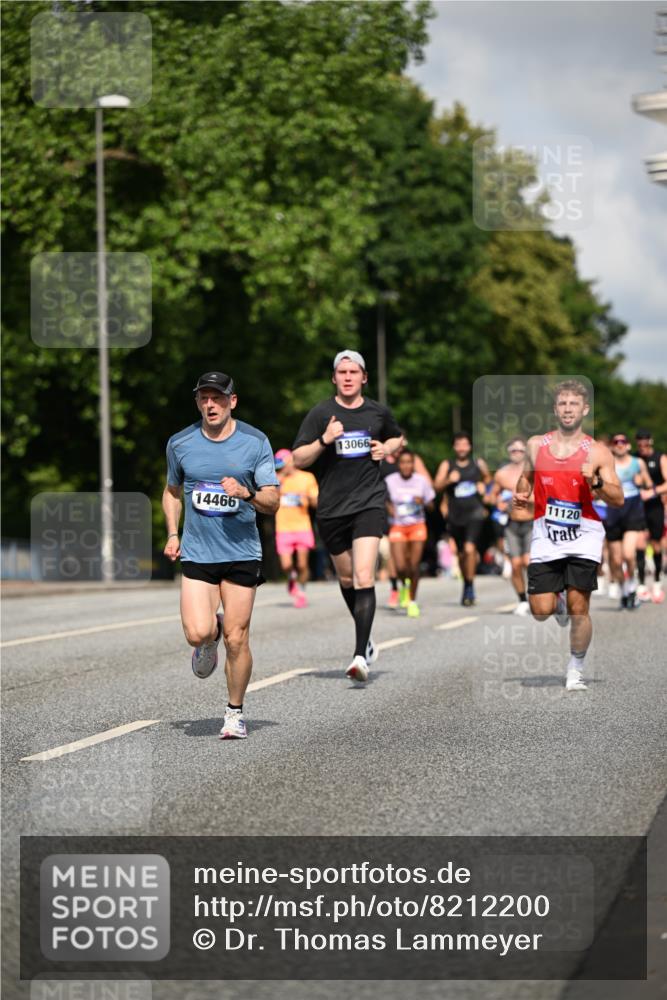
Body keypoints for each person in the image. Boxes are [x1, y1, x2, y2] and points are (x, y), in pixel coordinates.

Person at [163, 371, 280, 739]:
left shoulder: (255, 442)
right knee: (198, 632)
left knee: (237, 637)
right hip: (199, 551)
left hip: (242, 551)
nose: (209, 404)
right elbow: (171, 491)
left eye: (217, 398)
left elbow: (273, 501)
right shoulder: (180, 443)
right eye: (203, 398)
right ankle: (207, 638)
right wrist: (171, 532)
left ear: (233, 401)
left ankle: (234, 713)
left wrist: (246, 494)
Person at [292, 350, 403, 681]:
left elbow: (398, 436)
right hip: (331, 508)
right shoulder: (321, 414)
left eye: (354, 371)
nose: (348, 377)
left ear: (364, 377)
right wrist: (325, 440)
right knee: (346, 579)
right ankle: (366, 639)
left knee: (364, 575)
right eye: (342, 372)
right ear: (334, 378)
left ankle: (359, 656)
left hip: (369, 503)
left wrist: (389, 449)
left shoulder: (377, 412)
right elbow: (298, 458)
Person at [514, 380, 623, 691]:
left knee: (580, 607)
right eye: (562, 403)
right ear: (555, 409)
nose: (567, 409)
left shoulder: (598, 451)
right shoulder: (536, 445)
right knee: (539, 611)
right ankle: (556, 603)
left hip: (584, 533)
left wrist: (598, 484)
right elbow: (525, 480)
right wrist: (522, 495)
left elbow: (618, 498)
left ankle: (575, 668)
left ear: (584, 410)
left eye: (573, 404)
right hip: (546, 533)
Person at [434, 433, 491, 606]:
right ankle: (466, 582)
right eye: (458, 444)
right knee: (460, 553)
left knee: (469, 549)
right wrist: (448, 480)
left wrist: (484, 487)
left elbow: (489, 479)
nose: (462, 448)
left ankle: (470, 586)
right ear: (454, 447)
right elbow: (436, 486)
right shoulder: (448, 465)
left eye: (465, 444)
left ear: (470, 446)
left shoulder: (478, 463)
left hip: (475, 513)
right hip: (455, 515)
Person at [380, 442, 432, 608]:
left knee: (414, 565)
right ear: (398, 464)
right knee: (401, 566)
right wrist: (390, 509)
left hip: (417, 525)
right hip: (398, 526)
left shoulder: (421, 481)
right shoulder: (390, 481)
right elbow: (384, 500)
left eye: (409, 462)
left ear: (413, 464)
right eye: (403, 462)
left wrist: (422, 501)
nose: (406, 466)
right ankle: (403, 586)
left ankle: (413, 601)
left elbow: (432, 505)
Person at [603, 433, 653, 609]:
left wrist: (642, 482)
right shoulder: (607, 464)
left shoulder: (637, 463)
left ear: (628, 445)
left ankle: (632, 586)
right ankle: (624, 591)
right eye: (615, 442)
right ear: (612, 446)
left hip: (632, 509)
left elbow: (648, 483)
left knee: (628, 554)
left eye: (623, 441)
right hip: (613, 510)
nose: (619, 444)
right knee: (615, 560)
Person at [490, 437, 533, 615]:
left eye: (521, 450)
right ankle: (522, 599)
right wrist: (497, 502)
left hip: (531, 521)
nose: (517, 453)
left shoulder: (533, 473)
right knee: (515, 564)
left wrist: (524, 498)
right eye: (514, 450)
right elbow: (491, 496)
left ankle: (538, 596)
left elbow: (544, 498)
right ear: (508, 452)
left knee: (528, 562)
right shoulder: (501, 474)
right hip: (511, 524)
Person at [274, 448, 319, 608]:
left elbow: (315, 502)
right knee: (286, 565)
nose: (282, 466)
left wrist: (309, 498)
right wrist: (281, 480)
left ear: (291, 461)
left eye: (283, 462)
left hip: (303, 527)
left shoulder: (307, 477)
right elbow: (270, 498)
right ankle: (292, 578)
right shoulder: (276, 479)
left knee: (302, 564)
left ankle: (301, 591)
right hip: (283, 528)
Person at [635, 429, 667, 603]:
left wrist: (652, 491)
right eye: (639, 443)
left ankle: (656, 582)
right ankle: (640, 585)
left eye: (645, 443)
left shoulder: (660, 457)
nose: (642, 447)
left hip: (654, 506)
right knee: (639, 543)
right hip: (637, 507)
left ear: (650, 442)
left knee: (655, 544)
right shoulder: (634, 458)